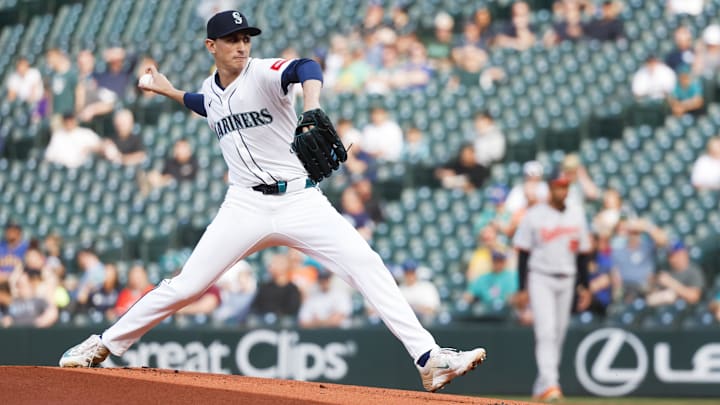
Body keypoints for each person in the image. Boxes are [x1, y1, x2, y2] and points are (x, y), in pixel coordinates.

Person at [59, 11, 485, 392]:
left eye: (246, 38)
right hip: (244, 206)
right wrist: (169, 91)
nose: (242, 45)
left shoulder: (262, 72)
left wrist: (312, 108)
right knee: (186, 285)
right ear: (212, 46)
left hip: (301, 200)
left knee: (366, 263)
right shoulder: (211, 88)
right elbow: (206, 104)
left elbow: (306, 67)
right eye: (232, 39)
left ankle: (429, 359)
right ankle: (102, 344)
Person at [511, 168, 592, 402]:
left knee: (558, 334)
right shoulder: (534, 214)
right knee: (546, 331)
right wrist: (522, 288)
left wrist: (584, 286)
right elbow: (523, 253)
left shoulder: (577, 214)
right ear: (550, 187)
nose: (562, 189)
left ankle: (542, 385)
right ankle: (552, 384)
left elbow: (583, 254)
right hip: (541, 277)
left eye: (565, 185)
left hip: (567, 277)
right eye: (558, 185)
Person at [611, 217, 668, 302]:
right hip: (628, 289)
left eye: (636, 233)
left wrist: (647, 226)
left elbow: (663, 241)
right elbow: (616, 275)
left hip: (647, 289)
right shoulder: (618, 250)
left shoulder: (647, 246)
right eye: (631, 232)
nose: (633, 235)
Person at [646, 241, 705, 307]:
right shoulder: (665, 269)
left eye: (677, 255)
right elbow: (650, 295)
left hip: (686, 310)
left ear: (685, 254)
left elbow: (694, 297)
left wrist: (670, 283)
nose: (674, 259)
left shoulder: (694, 271)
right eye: (671, 256)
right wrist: (653, 282)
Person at [249, 253, 302, 318]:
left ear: (284, 266)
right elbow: (255, 308)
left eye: (275, 263)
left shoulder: (292, 290)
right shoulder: (264, 288)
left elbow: (291, 311)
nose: (270, 266)